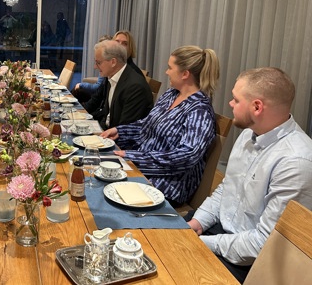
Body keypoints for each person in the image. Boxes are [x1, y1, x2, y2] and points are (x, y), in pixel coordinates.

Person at [186, 67, 312, 282]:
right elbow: (226, 190)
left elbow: (263, 243)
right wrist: (197, 222)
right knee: (152, 242)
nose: (230, 104)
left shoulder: (295, 161)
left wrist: (203, 242)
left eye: (236, 99)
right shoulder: (248, 134)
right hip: (220, 234)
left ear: (257, 106)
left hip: (251, 262)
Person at [101, 45, 220, 206]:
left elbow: (186, 157)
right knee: (96, 177)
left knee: (103, 193)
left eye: (170, 68)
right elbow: (147, 125)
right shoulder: (171, 95)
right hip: (141, 169)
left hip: (167, 185)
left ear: (185, 74)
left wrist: (134, 157)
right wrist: (120, 131)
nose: (166, 72)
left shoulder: (200, 110)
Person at [83, 40, 152, 129]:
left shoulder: (135, 87)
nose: (95, 67)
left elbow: (125, 129)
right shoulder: (112, 77)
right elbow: (107, 116)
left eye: (98, 62)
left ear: (113, 62)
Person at [72, 35, 112, 103]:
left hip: (101, 99)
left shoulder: (106, 64)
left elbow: (98, 88)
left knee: (77, 91)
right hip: (99, 96)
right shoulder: (104, 63)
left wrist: (81, 85)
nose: (95, 67)